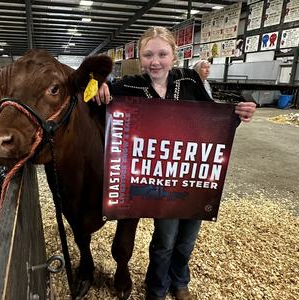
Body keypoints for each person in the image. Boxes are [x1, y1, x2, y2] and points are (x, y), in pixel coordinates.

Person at [93, 26, 256, 300]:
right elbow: (95, 97)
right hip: (160, 179)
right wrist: (99, 86)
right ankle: (156, 287)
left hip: (195, 175)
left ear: (174, 56)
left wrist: (238, 112)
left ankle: (180, 282)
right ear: (140, 57)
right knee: (166, 239)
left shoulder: (190, 80)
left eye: (162, 54)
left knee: (187, 239)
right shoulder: (129, 84)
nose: (154, 61)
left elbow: (213, 118)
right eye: (148, 55)